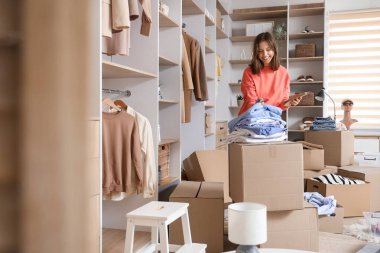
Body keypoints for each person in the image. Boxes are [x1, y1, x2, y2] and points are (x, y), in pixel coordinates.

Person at [238, 32, 301, 115]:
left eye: (268, 50)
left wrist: (290, 102)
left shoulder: (283, 72)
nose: (265, 54)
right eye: (260, 51)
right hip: (252, 118)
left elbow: (282, 104)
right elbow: (250, 100)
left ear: (274, 50)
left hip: (272, 118)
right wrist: (258, 104)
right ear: (256, 53)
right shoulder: (249, 71)